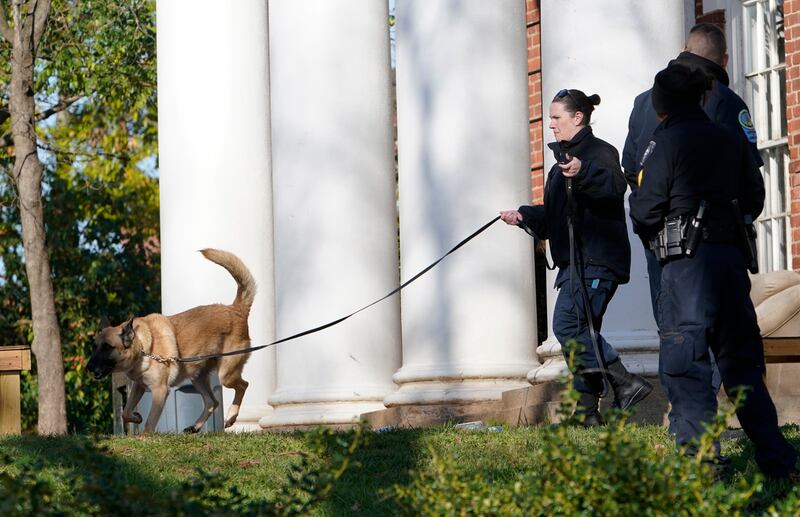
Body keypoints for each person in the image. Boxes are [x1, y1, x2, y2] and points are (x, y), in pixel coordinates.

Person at [629, 63, 798, 479]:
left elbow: (645, 207)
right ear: (703, 96)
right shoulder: (727, 139)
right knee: (742, 366)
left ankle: (705, 464)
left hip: (686, 267)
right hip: (729, 260)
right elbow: (754, 197)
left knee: (686, 366)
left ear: (661, 104)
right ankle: (778, 462)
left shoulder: (664, 142)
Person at [500, 89, 652, 426]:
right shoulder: (563, 163)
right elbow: (559, 217)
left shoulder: (598, 153)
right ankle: (586, 414)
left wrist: (583, 171)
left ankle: (625, 382)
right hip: (576, 263)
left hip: (596, 261)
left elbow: (613, 186)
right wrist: (525, 216)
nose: (550, 124)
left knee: (569, 326)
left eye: (556, 117)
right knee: (583, 332)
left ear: (578, 117)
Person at [623, 23, 763, 327]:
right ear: (724, 61)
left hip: (661, 241)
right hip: (713, 242)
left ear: (684, 50)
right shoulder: (726, 101)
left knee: (672, 334)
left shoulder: (643, 102)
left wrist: (652, 222)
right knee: (717, 335)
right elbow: (751, 186)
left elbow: (631, 170)